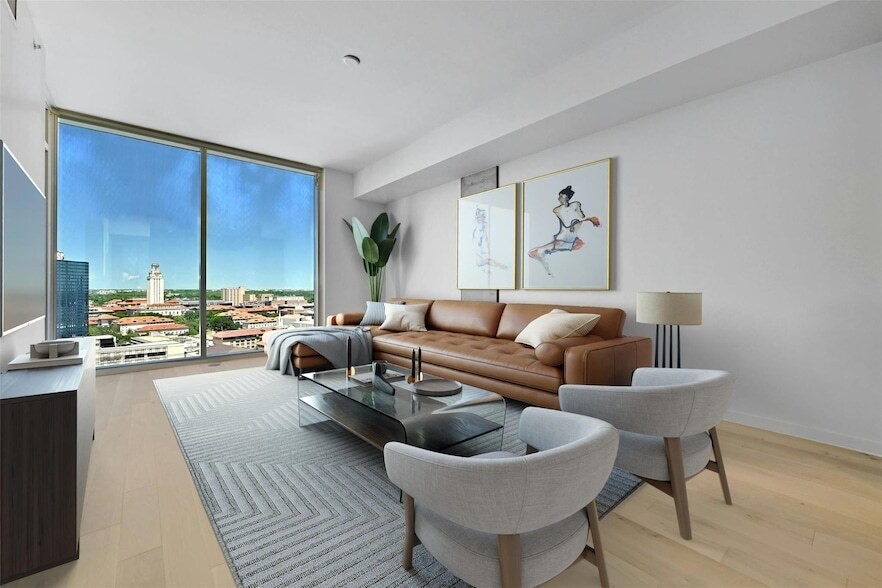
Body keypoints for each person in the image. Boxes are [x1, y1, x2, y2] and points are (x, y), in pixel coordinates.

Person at [528, 185, 601, 277]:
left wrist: (585, 220)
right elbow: (566, 223)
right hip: (563, 237)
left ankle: (546, 266)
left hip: (572, 237)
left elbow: (581, 217)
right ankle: (547, 269)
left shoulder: (576, 204)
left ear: (566, 197)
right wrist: (587, 219)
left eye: (561, 196)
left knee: (580, 245)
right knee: (541, 251)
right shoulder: (557, 209)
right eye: (559, 196)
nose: (559, 199)